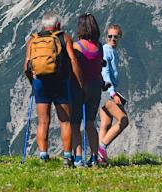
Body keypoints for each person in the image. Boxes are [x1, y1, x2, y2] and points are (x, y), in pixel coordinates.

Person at [24, 12, 83, 167]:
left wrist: (33, 83)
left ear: (44, 25)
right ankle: (67, 157)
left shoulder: (33, 40)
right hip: (60, 83)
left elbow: (26, 67)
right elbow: (73, 60)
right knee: (65, 121)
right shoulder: (64, 38)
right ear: (58, 25)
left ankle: (43, 156)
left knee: (43, 121)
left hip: (40, 83)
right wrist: (78, 82)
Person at [70, 13, 104, 167]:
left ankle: (78, 157)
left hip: (80, 86)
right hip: (96, 87)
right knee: (90, 123)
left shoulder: (77, 46)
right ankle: (95, 157)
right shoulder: (100, 46)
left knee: (75, 123)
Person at [98, 24, 129, 164]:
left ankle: (99, 158)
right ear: (106, 36)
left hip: (103, 91)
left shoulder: (112, 51)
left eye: (115, 37)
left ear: (120, 37)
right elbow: (105, 72)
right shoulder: (106, 50)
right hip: (107, 91)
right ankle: (101, 147)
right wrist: (113, 93)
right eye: (110, 36)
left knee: (106, 123)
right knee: (123, 120)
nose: (112, 39)